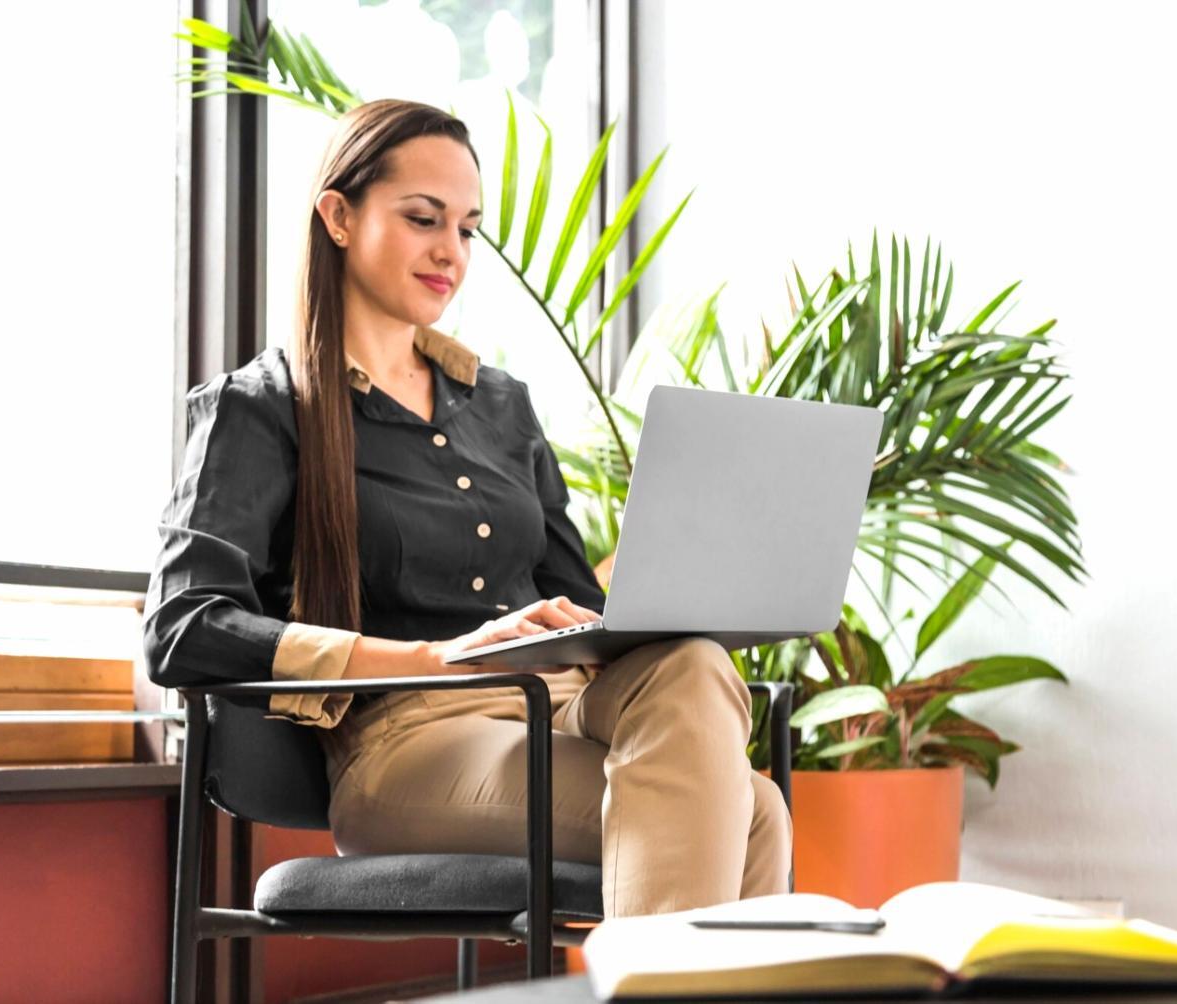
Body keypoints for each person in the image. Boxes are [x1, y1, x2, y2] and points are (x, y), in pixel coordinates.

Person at [141, 98, 790, 918]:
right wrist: (436, 656)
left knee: (697, 671)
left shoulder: (501, 406)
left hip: (549, 706)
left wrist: (654, 577)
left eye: (467, 228)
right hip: (404, 744)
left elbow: (573, 607)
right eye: (423, 219)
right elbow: (183, 626)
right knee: (750, 813)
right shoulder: (262, 408)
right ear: (338, 216)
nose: (451, 251)